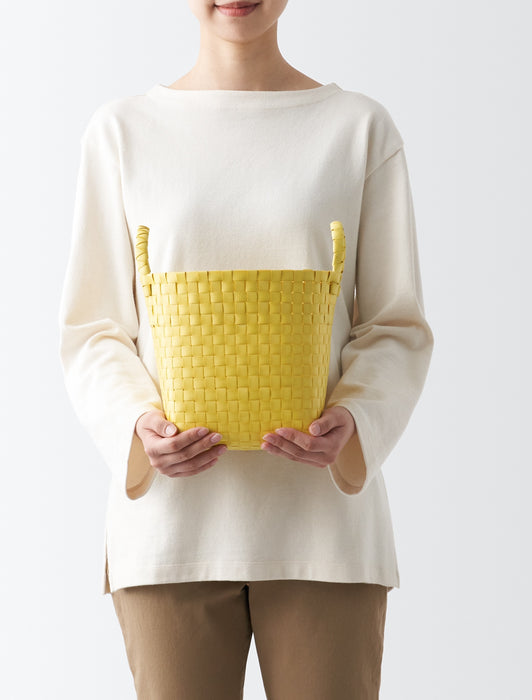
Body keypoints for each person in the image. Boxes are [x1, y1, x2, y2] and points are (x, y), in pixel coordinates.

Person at [58, 0, 434, 697]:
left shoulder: (358, 128)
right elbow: (93, 329)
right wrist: (136, 426)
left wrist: (356, 420)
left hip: (325, 531)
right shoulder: (121, 133)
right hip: (171, 531)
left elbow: (395, 324)